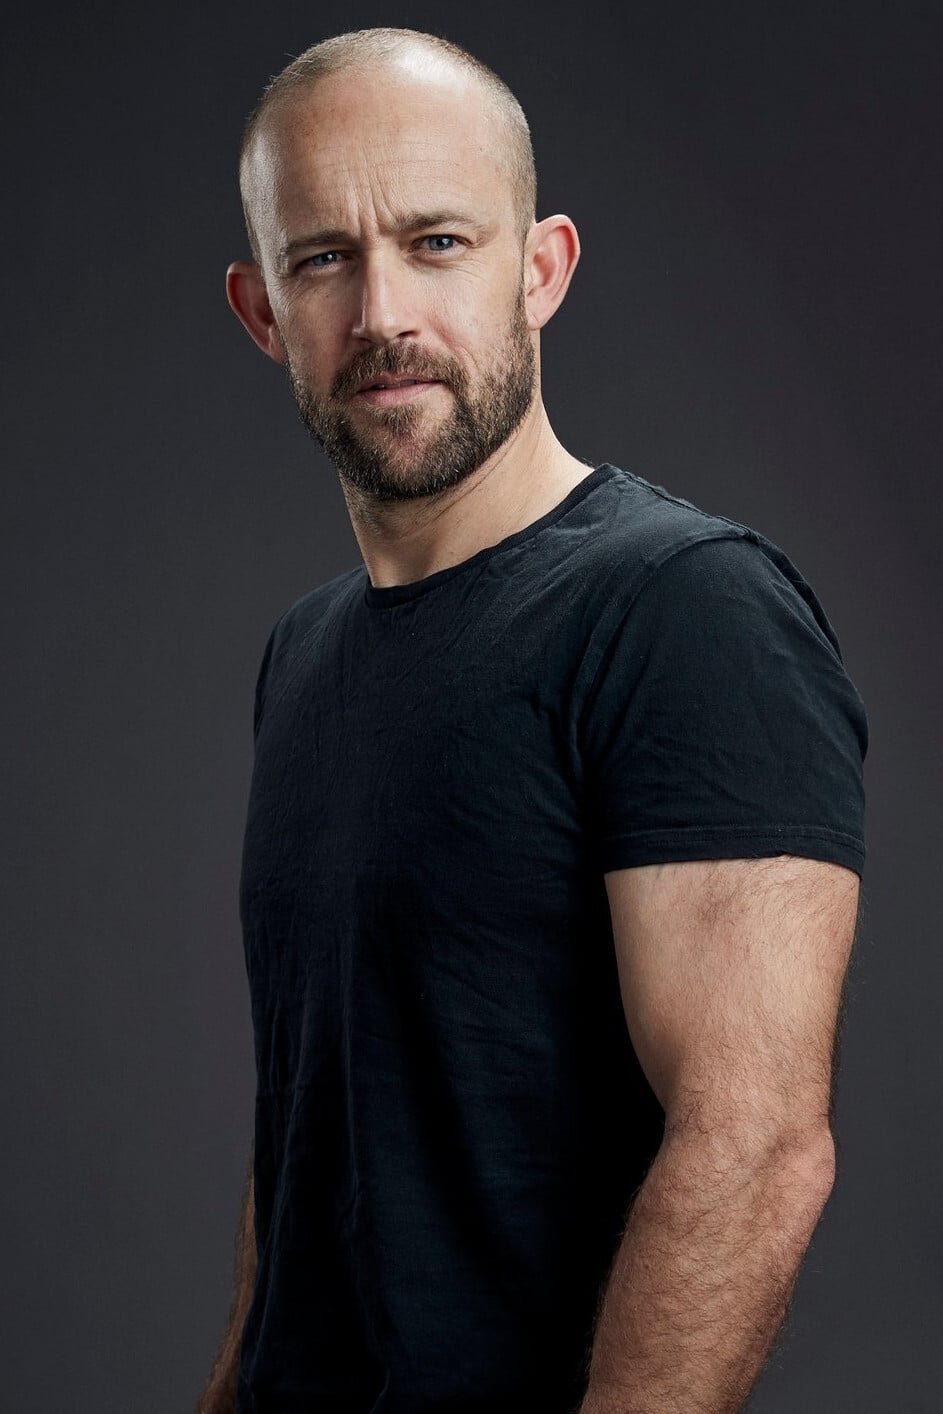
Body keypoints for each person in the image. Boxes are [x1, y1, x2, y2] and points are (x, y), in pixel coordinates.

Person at [200, 26, 867, 1414]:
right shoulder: (303, 654)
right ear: (263, 311)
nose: (382, 311)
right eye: (323, 258)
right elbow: (306, 1146)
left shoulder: (685, 609)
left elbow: (755, 1148)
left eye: (438, 242)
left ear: (541, 270)